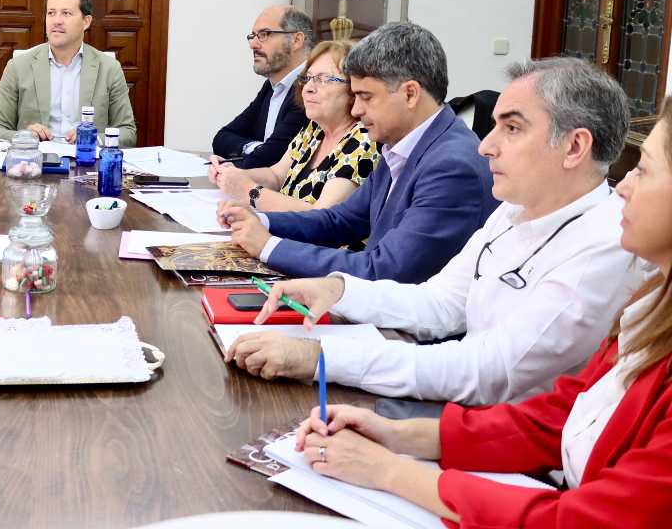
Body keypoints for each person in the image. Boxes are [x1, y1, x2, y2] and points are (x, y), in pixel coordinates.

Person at [290, 95, 672, 528]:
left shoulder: (606, 248)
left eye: (643, 170)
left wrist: (389, 470)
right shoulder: (649, 304)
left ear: (573, 147)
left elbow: (586, 519)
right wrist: (399, 437)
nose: (624, 185)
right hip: (510, 459)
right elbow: (560, 415)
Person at [226, 57, 646, 404]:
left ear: (574, 147)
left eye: (512, 128)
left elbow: (488, 370)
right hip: (466, 412)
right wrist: (339, 291)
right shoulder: (516, 210)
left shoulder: (604, 245)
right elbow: (442, 302)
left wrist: (323, 357)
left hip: (517, 452)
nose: (486, 145)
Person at [219, 22, 495, 283]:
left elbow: (385, 269)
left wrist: (268, 246)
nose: (356, 110)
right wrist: (261, 220)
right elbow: (340, 220)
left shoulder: (451, 167)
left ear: (410, 94)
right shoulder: (403, 142)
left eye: (366, 97)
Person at [210, 40, 378, 226]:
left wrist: (250, 191)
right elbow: (275, 175)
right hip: (290, 240)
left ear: (353, 89)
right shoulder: (314, 130)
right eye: (307, 78)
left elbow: (323, 217)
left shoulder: (364, 140)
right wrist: (234, 175)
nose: (308, 88)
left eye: (323, 79)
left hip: (327, 252)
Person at [0, 0, 137, 145]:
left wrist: (93, 138)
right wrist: (23, 136)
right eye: (51, 13)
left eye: (66, 13)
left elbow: (128, 132)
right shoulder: (18, 66)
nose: (56, 21)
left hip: (87, 162)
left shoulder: (109, 69)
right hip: (34, 163)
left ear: (86, 22)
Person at [212, 6, 312, 168]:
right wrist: (257, 148)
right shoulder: (271, 86)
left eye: (264, 35)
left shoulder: (311, 88)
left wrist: (255, 152)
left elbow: (271, 159)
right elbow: (222, 138)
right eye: (253, 36)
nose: (253, 44)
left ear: (296, 40)